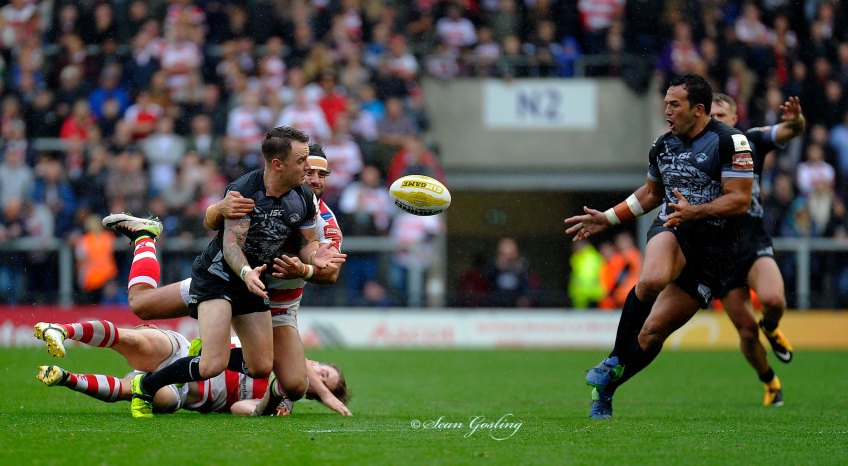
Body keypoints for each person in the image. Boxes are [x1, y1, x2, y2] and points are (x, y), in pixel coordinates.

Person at [101, 142, 346, 416]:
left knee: (294, 384)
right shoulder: (264, 189)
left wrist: (305, 271)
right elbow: (212, 221)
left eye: (321, 175)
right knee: (141, 305)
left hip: (277, 304)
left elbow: (332, 272)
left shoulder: (324, 222)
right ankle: (145, 237)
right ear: (291, 168)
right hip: (230, 279)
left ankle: (219, 374)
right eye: (308, 171)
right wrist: (220, 207)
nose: (314, 179)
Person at [564, 74, 754, 419]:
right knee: (651, 279)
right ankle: (615, 358)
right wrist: (608, 218)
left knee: (652, 334)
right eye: (666, 103)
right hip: (673, 228)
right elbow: (652, 195)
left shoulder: (732, 142)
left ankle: (606, 390)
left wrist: (696, 211)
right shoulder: (663, 145)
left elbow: (739, 200)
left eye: (674, 104)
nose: (666, 110)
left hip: (713, 253)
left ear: (698, 109)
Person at [33, 320, 350, 416]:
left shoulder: (284, 402)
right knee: (132, 340)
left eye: (324, 383)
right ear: (314, 363)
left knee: (146, 393)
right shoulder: (280, 351)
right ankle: (62, 330)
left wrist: (268, 404)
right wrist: (326, 394)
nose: (318, 377)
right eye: (323, 372)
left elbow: (240, 408)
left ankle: (66, 378)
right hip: (183, 351)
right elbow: (300, 366)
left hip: (185, 392)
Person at [710, 93, 805, 407]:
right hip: (721, 255)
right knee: (747, 333)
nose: (715, 121)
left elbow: (791, 130)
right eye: (711, 116)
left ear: (734, 118)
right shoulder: (698, 150)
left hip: (753, 241)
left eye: (721, 115)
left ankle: (772, 327)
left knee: (773, 300)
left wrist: (796, 120)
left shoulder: (749, 141)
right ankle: (770, 381)